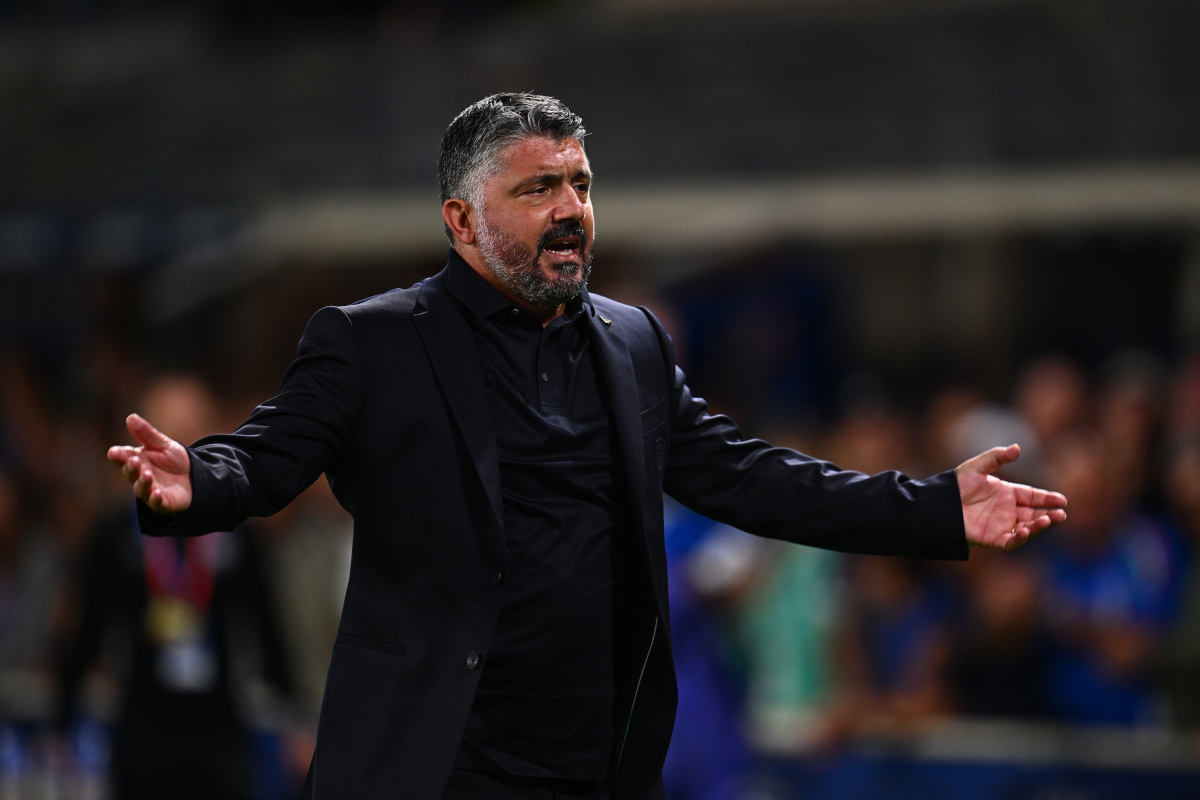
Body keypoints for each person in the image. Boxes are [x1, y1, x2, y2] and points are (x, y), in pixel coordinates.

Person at [106, 93, 1067, 800]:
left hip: (593, 766)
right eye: (539, 189)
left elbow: (752, 478)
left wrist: (937, 507)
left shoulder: (632, 341)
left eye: (580, 184)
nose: (572, 208)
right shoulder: (373, 342)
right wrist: (197, 478)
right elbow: (268, 456)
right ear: (463, 221)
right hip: (436, 764)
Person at [63, 375, 294, 800]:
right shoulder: (113, 535)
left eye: (193, 432)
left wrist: (294, 716)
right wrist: (60, 719)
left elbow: (266, 626)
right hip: (141, 734)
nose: (180, 448)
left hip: (219, 736)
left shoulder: (240, 535)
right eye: (167, 432)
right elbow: (87, 629)